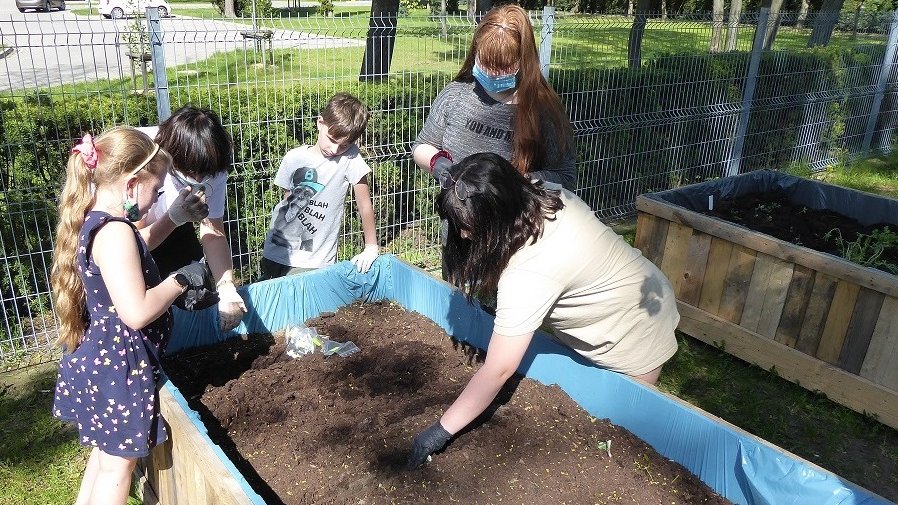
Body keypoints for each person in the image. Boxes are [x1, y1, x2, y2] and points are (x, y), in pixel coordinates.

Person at [405, 153, 680, 469]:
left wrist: (439, 431)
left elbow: (499, 369)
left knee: (617, 437)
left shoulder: (532, 271)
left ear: (499, 216)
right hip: (629, 289)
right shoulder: (536, 192)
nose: (464, 235)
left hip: (634, 329)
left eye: (468, 226)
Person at [50, 127, 216, 505]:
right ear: (131, 184)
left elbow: (134, 250)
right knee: (119, 469)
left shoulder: (95, 218)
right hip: (119, 369)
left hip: (97, 358)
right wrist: (181, 279)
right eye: (156, 193)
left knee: (104, 459)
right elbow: (137, 311)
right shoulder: (115, 232)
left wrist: (172, 218)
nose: (157, 200)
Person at [412, 4, 576, 191]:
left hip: (517, 219)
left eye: (502, 66)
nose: (491, 73)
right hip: (458, 219)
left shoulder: (542, 110)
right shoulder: (455, 95)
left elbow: (566, 177)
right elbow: (422, 145)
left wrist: (518, 180)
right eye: (486, 62)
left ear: (523, 61)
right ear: (475, 51)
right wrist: (439, 165)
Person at [137, 105, 248, 331]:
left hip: (173, 222)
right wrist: (173, 218)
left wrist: (226, 285)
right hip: (128, 237)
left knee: (197, 294)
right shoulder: (142, 160)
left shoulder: (213, 162)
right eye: (191, 172)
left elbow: (212, 229)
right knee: (145, 310)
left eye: (204, 173)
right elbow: (131, 246)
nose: (198, 179)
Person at [259, 92, 379, 279]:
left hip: (315, 261)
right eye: (332, 140)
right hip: (277, 250)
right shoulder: (294, 157)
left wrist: (371, 246)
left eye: (345, 145)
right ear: (320, 123)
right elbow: (287, 199)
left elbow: (364, 205)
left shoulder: (350, 158)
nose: (335, 150)